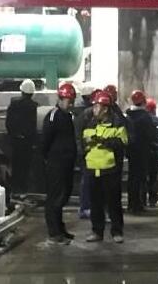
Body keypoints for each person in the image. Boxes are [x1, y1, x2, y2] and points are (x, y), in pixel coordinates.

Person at [82, 91, 128, 243]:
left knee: (113, 202)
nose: (94, 109)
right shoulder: (89, 122)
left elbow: (123, 142)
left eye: (97, 106)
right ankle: (97, 231)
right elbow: (83, 140)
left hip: (110, 169)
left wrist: (104, 141)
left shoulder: (116, 123)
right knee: (96, 203)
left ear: (105, 109)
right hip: (92, 168)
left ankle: (117, 231)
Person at [41, 82, 78, 244]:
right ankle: (54, 233)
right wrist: (50, 159)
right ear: (61, 99)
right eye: (69, 101)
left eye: (72, 101)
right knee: (55, 197)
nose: (71, 104)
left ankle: (60, 229)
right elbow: (45, 141)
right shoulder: (53, 116)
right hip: (56, 164)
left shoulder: (68, 116)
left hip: (66, 164)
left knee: (63, 195)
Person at [5, 78, 38, 198]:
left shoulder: (14, 103)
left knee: (16, 165)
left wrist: (12, 134)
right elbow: (34, 125)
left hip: (15, 140)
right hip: (27, 142)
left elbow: (8, 122)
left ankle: (15, 189)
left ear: (22, 91)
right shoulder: (34, 106)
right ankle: (23, 190)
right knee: (25, 166)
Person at [125, 89, 155, 214]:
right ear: (143, 102)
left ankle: (131, 204)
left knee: (132, 177)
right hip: (143, 151)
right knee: (140, 178)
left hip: (131, 150)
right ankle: (138, 204)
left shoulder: (127, 116)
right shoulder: (146, 117)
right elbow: (151, 134)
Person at [73, 85, 98, 219]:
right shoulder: (87, 114)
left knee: (87, 179)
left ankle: (86, 206)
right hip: (88, 151)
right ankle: (86, 207)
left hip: (84, 150)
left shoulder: (77, 111)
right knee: (88, 179)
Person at [145, 98, 158, 207]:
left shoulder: (142, 119)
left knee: (143, 176)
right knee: (153, 176)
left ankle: (142, 199)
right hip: (155, 150)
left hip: (144, 151)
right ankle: (152, 200)